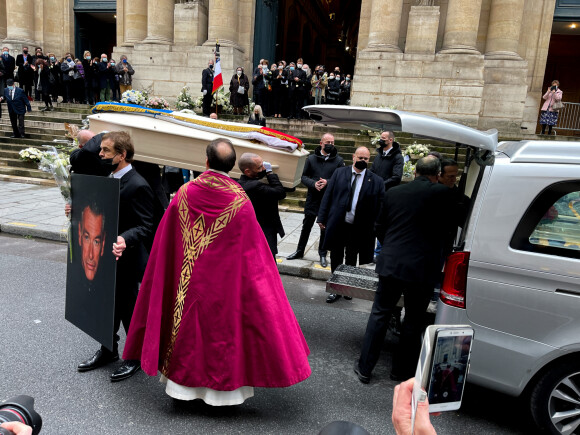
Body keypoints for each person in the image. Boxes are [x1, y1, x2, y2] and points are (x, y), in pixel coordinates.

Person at [122, 138, 311, 405]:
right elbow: (254, 254)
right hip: (226, 287)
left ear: (207, 162)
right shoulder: (240, 200)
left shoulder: (185, 193)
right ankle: (223, 398)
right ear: (232, 166)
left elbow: (166, 242)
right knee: (222, 335)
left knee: (188, 332)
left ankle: (181, 390)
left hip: (187, 283)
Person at [355, 156, 455, 383]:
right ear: (437, 174)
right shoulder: (445, 194)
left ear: (416, 171)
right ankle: (400, 371)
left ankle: (365, 367)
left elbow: (380, 226)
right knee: (413, 318)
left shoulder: (394, 193)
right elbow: (450, 229)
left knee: (380, 313)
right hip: (423, 266)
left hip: (392, 261)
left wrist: (391, 247)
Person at [75, 131, 155, 382]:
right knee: (106, 305)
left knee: (128, 308)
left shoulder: (138, 184)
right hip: (104, 255)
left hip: (127, 259)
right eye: (102, 150)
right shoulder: (108, 177)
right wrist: (75, 209)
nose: (100, 154)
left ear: (122, 155)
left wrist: (124, 239)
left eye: (106, 151)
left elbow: (146, 225)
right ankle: (108, 350)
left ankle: (135, 358)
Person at [317, 146, 385, 303]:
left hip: (358, 227)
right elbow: (328, 195)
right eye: (360, 158)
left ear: (369, 160)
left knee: (351, 258)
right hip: (339, 223)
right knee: (335, 256)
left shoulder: (376, 180)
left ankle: (347, 287)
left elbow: (380, 206)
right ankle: (335, 288)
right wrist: (322, 217)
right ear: (354, 157)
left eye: (366, 159)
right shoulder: (340, 173)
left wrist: (376, 226)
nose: (362, 161)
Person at [287, 133, 344, 267]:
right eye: (328, 142)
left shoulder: (338, 161)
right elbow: (303, 176)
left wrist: (328, 182)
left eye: (332, 142)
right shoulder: (311, 159)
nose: (330, 144)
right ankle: (300, 251)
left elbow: (341, 178)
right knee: (306, 226)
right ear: (321, 143)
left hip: (328, 200)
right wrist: (313, 184)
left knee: (324, 228)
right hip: (313, 198)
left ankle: (322, 254)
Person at [238, 152, 286, 258]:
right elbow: (280, 193)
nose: (263, 168)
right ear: (248, 171)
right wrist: (269, 173)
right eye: (260, 167)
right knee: (268, 263)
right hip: (263, 231)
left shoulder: (242, 183)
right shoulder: (255, 186)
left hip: (254, 231)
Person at [370, 131, 404, 261]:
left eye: (383, 138)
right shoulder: (379, 155)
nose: (380, 140)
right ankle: (374, 251)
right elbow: (373, 171)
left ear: (390, 140)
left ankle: (380, 252)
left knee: (383, 224)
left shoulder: (397, 157)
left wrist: (380, 185)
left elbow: (396, 177)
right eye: (380, 138)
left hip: (387, 195)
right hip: (375, 194)